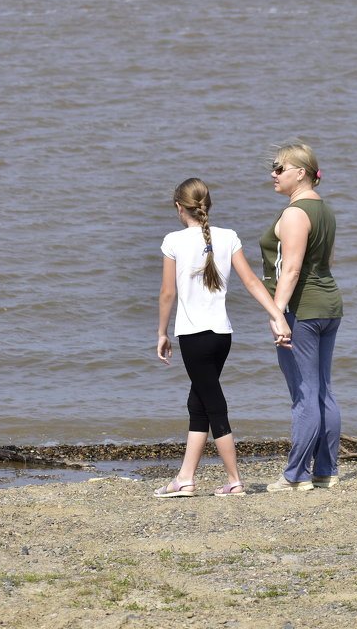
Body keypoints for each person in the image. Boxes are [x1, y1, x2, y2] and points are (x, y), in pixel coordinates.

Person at [155, 177, 290, 498]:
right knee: (198, 402)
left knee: (213, 405)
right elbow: (253, 282)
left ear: (179, 207)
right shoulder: (228, 237)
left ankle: (234, 480)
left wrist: (161, 332)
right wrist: (276, 314)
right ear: (207, 205)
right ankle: (185, 478)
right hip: (221, 336)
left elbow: (166, 293)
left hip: (193, 336)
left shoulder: (173, 241)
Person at [260, 142, 344, 492]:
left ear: (301, 172)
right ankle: (325, 470)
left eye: (280, 168)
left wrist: (277, 312)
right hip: (327, 305)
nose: (273, 174)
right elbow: (326, 263)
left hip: (303, 310)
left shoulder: (295, 213)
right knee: (322, 389)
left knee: (305, 392)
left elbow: (291, 270)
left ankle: (296, 475)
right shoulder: (324, 209)